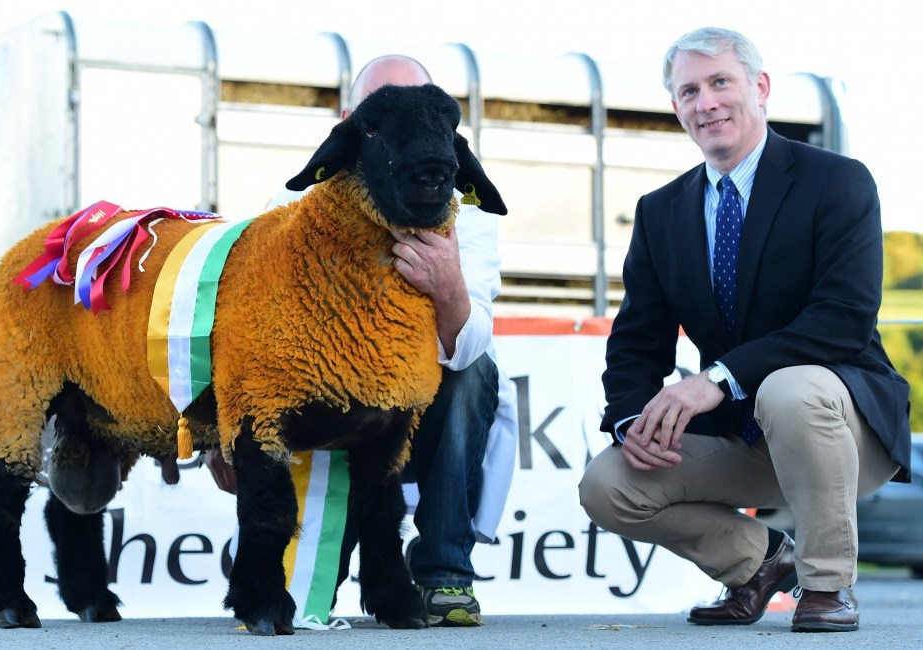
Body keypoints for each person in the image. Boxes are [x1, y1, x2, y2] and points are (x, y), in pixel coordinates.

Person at [578, 27, 911, 634]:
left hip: (842, 426)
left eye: (719, 82)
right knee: (608, 485)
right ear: (677, 107)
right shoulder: (661, 211)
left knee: (790, 388)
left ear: (759, 88)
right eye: (688, 91)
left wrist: (717, 379)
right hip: (747, 434)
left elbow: (843, 317)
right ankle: (758, 563)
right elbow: (637, 339)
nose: (705, 103)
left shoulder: (837, 181)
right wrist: (633, 422)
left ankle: (826, 586)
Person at [206, 54, 516, 628]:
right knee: (314, 575)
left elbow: (469, 347)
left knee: (474, 374)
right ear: (352, 124)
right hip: (326, 396)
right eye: (385, 111)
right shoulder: (295, 206)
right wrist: (221, 431)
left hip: (417, 406)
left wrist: (447, 284)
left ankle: (444, 575)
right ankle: (304, 570)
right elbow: (246, 322)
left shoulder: (464, 209)